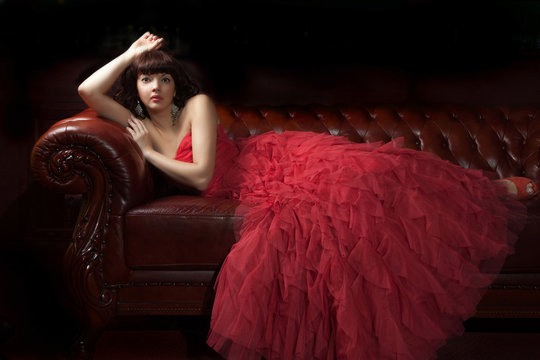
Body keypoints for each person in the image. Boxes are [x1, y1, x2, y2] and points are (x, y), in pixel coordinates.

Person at [78, 32, 535, 360]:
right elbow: (87, 90)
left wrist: (147, 153)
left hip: (269, 162)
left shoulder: (195, 108)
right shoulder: (139, 125)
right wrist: (130, 54)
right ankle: (486, 190)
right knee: (333, 213)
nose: (155, 88)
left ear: (177, 87)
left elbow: (199, 176)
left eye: (163, 80)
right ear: (135, 89)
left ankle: (486, 189)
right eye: (145, 81)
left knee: (377, 173)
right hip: (250, 186)